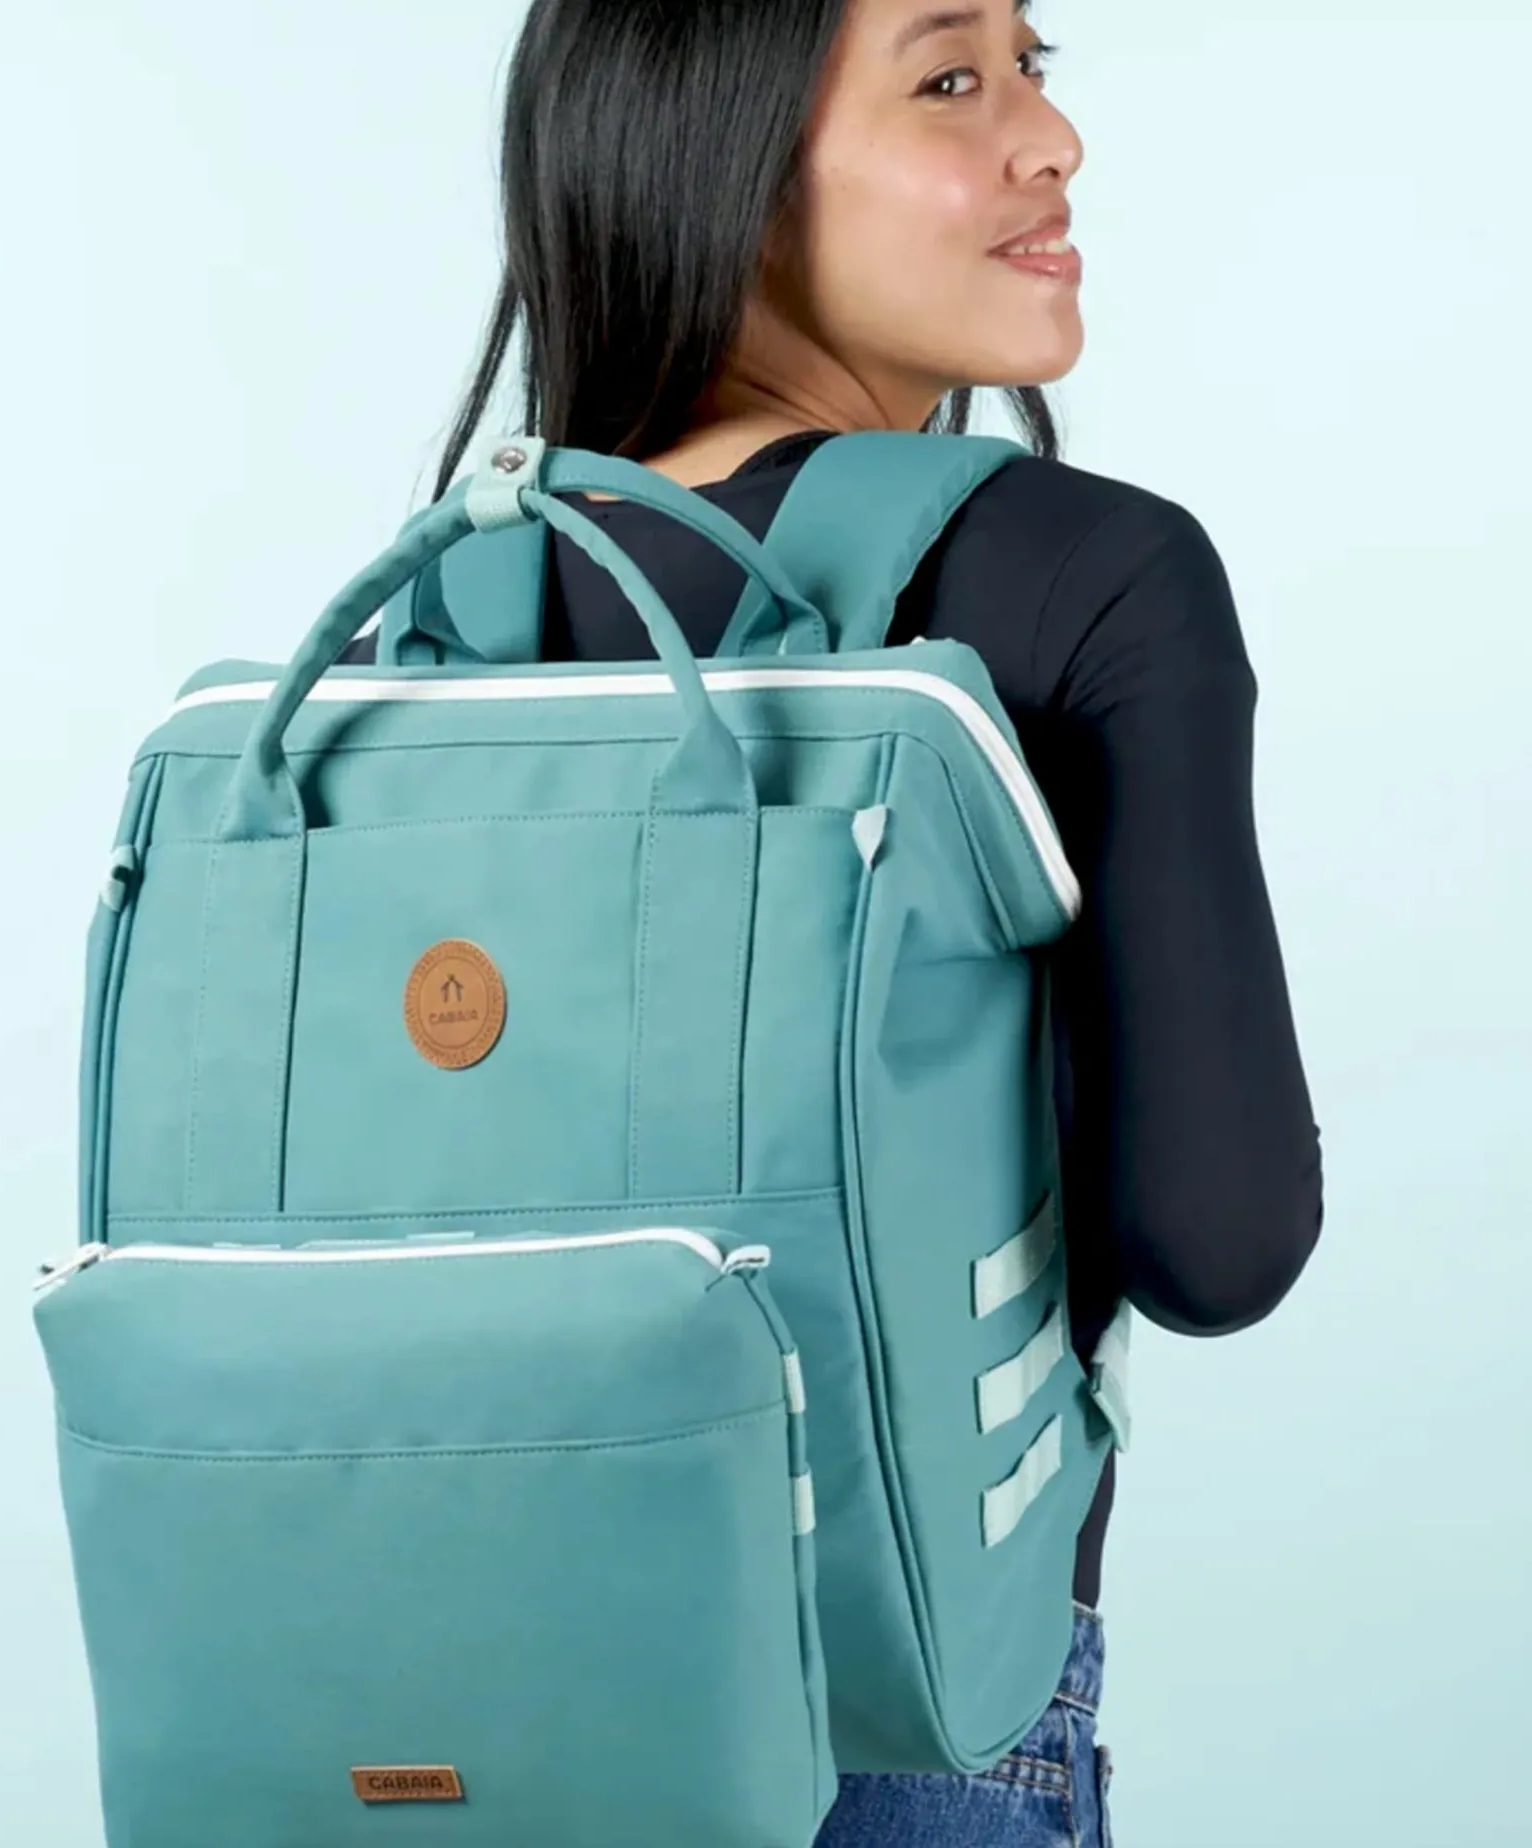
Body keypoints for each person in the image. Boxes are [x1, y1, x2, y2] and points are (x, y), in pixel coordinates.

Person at [353, 1, 1325, 1841]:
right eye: (951, 80)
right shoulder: (1088, 577)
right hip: (892, 1722)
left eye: (1036, 64)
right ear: (719, 159)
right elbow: (1221, 1242)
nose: (1050, 139)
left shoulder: (439, 610)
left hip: (422, 1721)